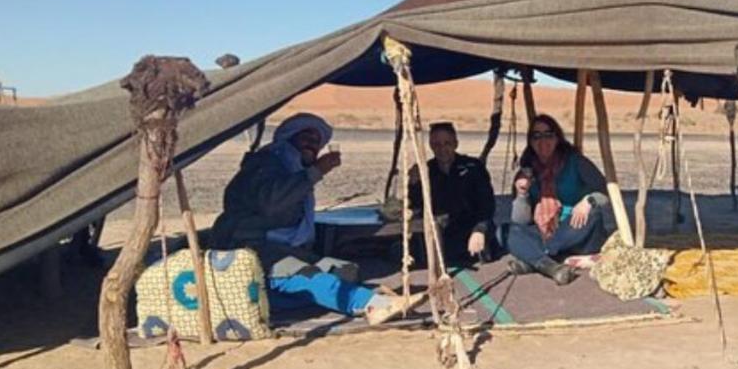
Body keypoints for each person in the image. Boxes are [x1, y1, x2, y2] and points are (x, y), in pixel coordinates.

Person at [211, 113, 425, 323]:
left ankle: (269, 300)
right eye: (306, 138)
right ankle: (371, 304)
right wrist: (316, 171)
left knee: (345, 272)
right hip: (251, 248)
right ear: (290, 138)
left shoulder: (292, 167)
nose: (312, 144)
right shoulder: (267, 164)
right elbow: (272, 203)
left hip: (282, 249)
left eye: (316, 141)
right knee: (310, 278)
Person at [501, 114, 612, 285]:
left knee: (593, 214)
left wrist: (587, 201)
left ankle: (534, 260)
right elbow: (520, 220)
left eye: (548, 134)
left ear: (557, 138)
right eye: (536, 136)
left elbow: (606, 192)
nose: (543, 140)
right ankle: (550, 265)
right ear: (530, 141)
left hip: (576, 230)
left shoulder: (576, 162)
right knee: (506, 231)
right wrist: (522, 194)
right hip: (545, 231)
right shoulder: (527, 171)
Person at [408, 122, 498, 266]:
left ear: (455, 144)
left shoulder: (473, 167)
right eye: (437, 144)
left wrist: (479, 230)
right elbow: (416, 206)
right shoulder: (427, 170)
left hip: (470, 226)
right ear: (431, 146)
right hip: (442, 230)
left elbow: (487, 204)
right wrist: (413, 184)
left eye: (447, 143)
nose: (442, 149)